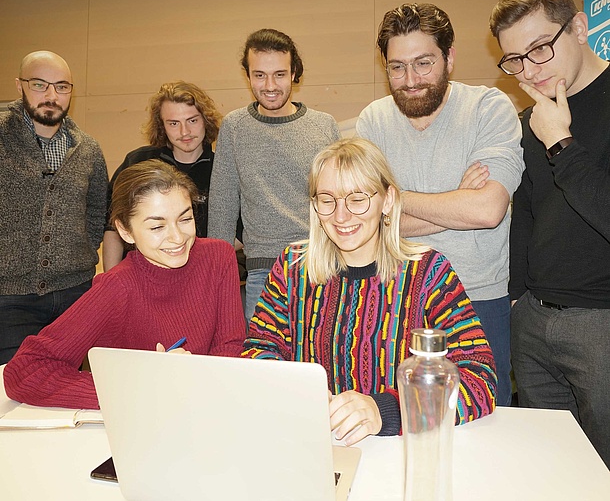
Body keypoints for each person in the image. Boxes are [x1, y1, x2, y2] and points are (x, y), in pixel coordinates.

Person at [243, 138, 497, 446]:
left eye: (357, 198)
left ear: (387, 200)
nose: (341, 216)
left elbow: (479, 378)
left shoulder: (428, 272)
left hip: (401, 447)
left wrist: (386, 409)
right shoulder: (293, 267)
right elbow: (258, 351)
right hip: (314, 443)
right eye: (327, 200)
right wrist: (297, 390)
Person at [356, 4, 524, 407]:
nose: (410, 80)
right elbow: (363, 221)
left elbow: (486, 211)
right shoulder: (372, 122)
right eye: (397, 67)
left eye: (423, 63)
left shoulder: (489, 108)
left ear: (449, 57)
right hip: (394, 298)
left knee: (484, 422)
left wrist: (393, 199)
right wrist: (455, 201)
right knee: (398, 422)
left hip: (478, 298)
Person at [3, 160, 246, 409]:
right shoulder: (116, 287)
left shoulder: (219, 257)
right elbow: (24, 371)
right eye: (157, 226)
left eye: (185, 219)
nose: (177, 237)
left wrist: (196, 385)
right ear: (126, 231)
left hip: (208, 410)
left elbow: (230, 346)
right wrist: (138, 388)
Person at [490, 0, 610, 466]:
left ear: (579, 27)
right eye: (514, 60)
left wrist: (561, 143)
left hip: (601, 324)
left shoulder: (550, 124)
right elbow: (529, 213)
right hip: (535, 321)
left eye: (540, 49)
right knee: (549, 469)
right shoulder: (531, 119)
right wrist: (519, 296)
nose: (529, 70)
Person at [208, 28, 340, 321]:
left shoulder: (323, 126)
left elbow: (339, 201)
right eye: (259, 75)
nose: (269, 85)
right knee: (264, 363)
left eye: (279, 74)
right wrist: (216, 281)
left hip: (320, 267)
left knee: (320, 364)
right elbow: (222, 206)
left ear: (295, 74)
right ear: (247, 75)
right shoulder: (234, 127)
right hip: (262, 273)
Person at [0, 51, 108, 364]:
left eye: (61, 87)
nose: (51, 95)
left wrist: (77, 254)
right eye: (40, 85)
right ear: (19, 86)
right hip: (10, 299)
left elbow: (97, 211)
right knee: (13, 394)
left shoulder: (87, 148)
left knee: (68, 388)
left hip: (75, 296)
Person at [102, 80, 223, 271]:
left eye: (192, 120)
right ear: (162, 126)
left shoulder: (223, 168)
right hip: (140, 276)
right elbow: (112, 228)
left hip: (201, 274)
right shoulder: (137, 161)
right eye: (174, 123)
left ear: (205, 120)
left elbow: (239, 235)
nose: (185, 132)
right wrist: (110, 281)